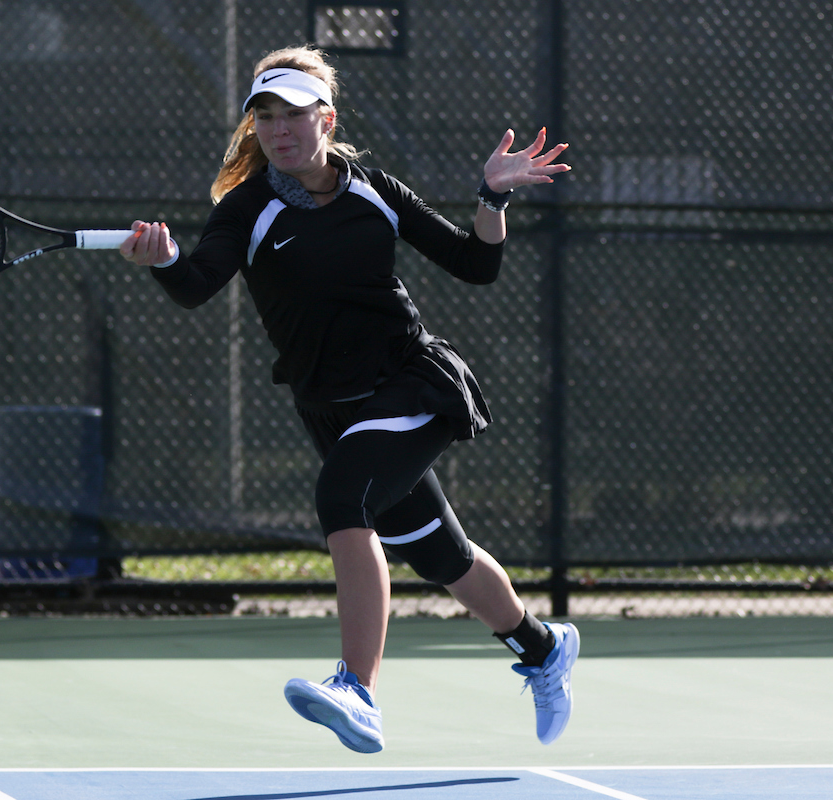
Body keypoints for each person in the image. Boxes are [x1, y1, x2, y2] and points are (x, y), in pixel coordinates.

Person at [120, 45, 577, 753]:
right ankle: (544, 649)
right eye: (265, 116)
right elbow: (196, 283)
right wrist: (167, 259)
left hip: (410, 382)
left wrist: (492, 198)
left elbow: (475, 264)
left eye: (294, 115)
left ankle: (357, 691)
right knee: (441, 556)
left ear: (326, 120)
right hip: (329, 408)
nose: (279, 129)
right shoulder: (247, 208)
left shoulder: (376, 191)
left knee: (343, 501)